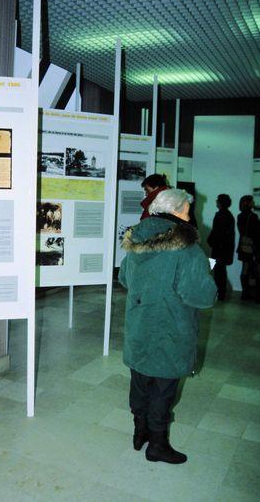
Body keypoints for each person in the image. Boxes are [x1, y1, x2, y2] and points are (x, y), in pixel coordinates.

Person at [119, 189, 216, 464]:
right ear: (175, 211)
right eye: (187, 210)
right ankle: (157, 445)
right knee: (163, 386)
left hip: (139, 324)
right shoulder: (187, 247)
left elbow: (125, 278)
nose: (189, 215)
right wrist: (207, 276)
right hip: (171, 327)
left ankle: (139, 434)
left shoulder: (136, 238)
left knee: (140, 381)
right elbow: (201, 296)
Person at [207, 194, 235, 301]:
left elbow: (216, 232)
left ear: (220, 203)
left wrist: (210, 241)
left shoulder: (219, 215)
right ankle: (221, 293)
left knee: (218, 271)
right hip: (225, 248)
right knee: (221, 271)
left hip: (218, 248)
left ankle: (219, 293)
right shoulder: (229, 215)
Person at [237, 195, 260, 302]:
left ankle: (244, 293)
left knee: (244, 269)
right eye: (252, 201)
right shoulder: (253, 216)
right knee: (255, 270)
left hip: (243, 246)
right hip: (252, 247)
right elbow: (256, 234)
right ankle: (255, 294)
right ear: (248, 203)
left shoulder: (240, 216)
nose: (253, 203)